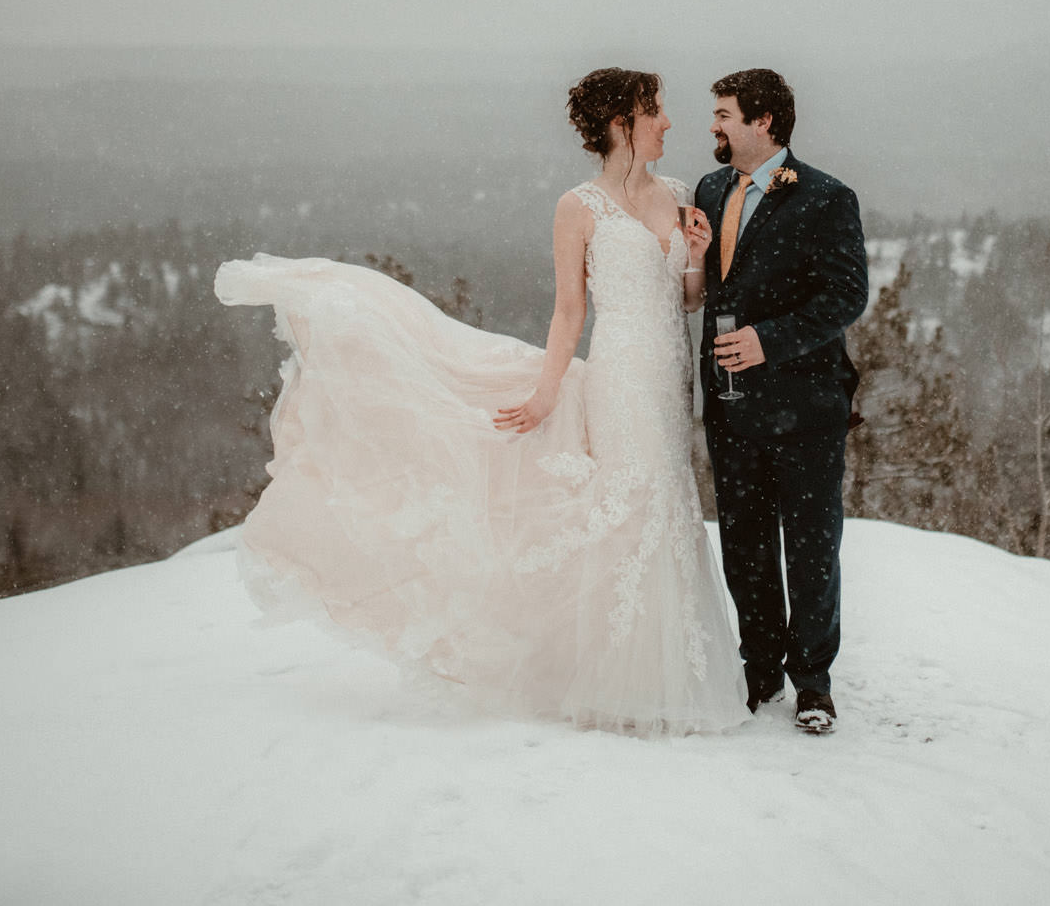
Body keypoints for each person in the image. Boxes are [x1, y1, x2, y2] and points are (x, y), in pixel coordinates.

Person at [214, 68, 749, 737]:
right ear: (623, 124)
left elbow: (690, 299)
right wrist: (547, 390)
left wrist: (695, 256)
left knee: (670, 501)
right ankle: (621, 679)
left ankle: (674, 674)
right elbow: (568, 311)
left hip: (671, 377)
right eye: (657, 112)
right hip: (620, 377)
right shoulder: (578, 206)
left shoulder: (677, 193)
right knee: (633, 504)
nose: (669, 123)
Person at [696, 68, 868, 735]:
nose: (713, 126)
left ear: (764, 121)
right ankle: (759, 666)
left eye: (724, 114)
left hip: (806, 406)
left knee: (812, 546)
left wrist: (768, 340)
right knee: (744, 543)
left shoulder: (827, 197)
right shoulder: (711, 190)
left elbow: (844, 297)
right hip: (731, 405)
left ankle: (814, 682)